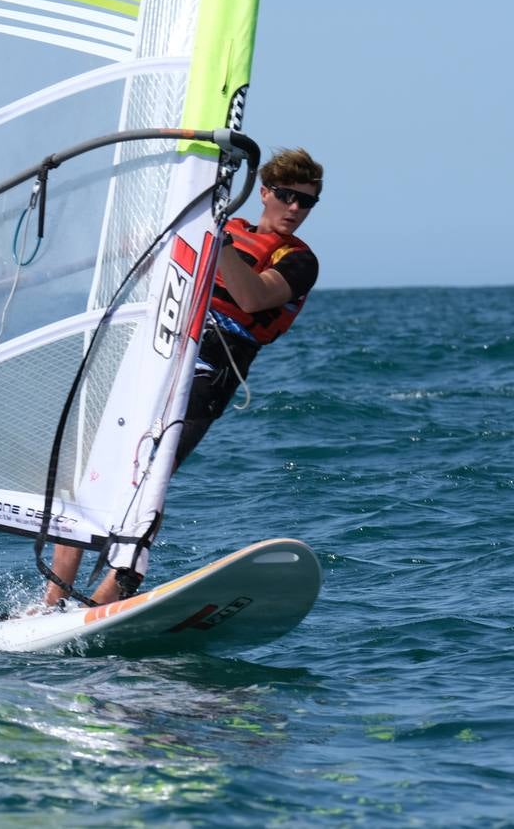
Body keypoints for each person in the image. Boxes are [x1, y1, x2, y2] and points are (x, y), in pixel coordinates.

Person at [44, 147, 324, 608]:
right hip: (157, 352)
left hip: (211, 371)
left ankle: (109, 596)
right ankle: (51, 602)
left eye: (307, 202)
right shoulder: (223, 228)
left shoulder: (299, 260)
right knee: (89, 469)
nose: (295, 209)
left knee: (149, 476)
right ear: (265, 193)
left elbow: (253, 298)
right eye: (288, 197)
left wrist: (213, 239)